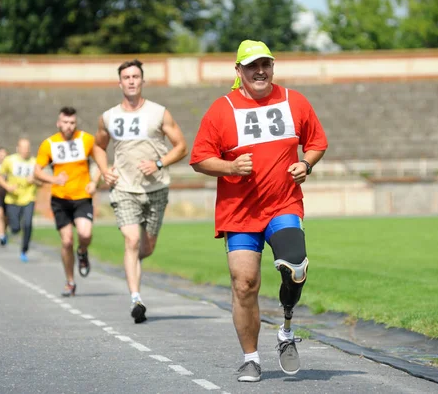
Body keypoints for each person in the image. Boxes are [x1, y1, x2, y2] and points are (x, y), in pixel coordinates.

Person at [189, 40, 328, 382]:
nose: (260, 71)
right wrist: (230, 168)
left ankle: (286, 329)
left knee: (296, 268)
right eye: (252, 65)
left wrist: (305, 164)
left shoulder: (293, 100)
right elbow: (199, 159)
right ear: (239, 71)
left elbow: (317, 142)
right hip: (239, 212)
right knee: (244, 283)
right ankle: (251, 358)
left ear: (273, 67)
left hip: (283, 204)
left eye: (265, 63)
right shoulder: (222, 109)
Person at [94, 59, 188, 324]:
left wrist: (158, 163)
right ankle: (136, 298)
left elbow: (181, 146)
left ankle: (133, 262)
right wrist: (104, 170)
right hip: (124, 188)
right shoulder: (109, 116)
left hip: (156, 188)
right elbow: (98, 146)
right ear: (120, 82)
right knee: (132, 240)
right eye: (127, 77)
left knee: (146, 247)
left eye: (136, 76)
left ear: (143, 81)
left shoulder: (159, 113)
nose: (132, 81)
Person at [35, 107, 98, 297]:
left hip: (82, 197)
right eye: (65, 122)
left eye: (72, 123)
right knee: (67, 240)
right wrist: (53, 180)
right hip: (60, 199)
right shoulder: (49, 144)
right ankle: (70, 281)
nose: (69, 126)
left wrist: (95, 181)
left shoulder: (86, 139)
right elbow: (37, 171)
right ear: (58, 123)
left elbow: (99, 161)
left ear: (75, 123)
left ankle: (83, 252)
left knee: (85, 234)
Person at [0, 138, 40, 262]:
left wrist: (35, 180)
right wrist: (7, 186)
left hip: (29, 198)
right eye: (23, 148)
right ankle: (10, 231)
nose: (26, 151)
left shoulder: (34, 162)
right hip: (12, 199)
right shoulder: (9, 160)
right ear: (18, 148)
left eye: (28, 148)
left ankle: (24, 250)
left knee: (28, 224)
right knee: (15, 228)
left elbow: (42, 181)